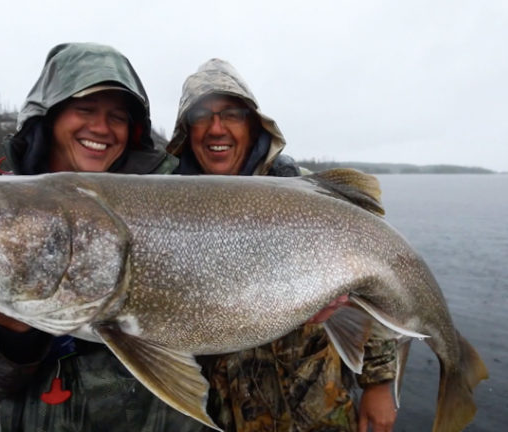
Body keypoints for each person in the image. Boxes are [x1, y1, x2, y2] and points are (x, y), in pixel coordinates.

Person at [0, 42, 204, 432]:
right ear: (51, 119)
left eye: (117, 116)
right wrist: (7, 332)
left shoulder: (172, 203)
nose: (101, 127)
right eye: (85, 109)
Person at [167, 59, 398, 432]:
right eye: (200, 115)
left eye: (232, 114)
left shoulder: (306, 194)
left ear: (254, 123)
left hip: (319, 411)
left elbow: (379, 278)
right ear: (185, 130)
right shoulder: (165, 210)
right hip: (223, 416)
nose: (216, 128)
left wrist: (380, 382)